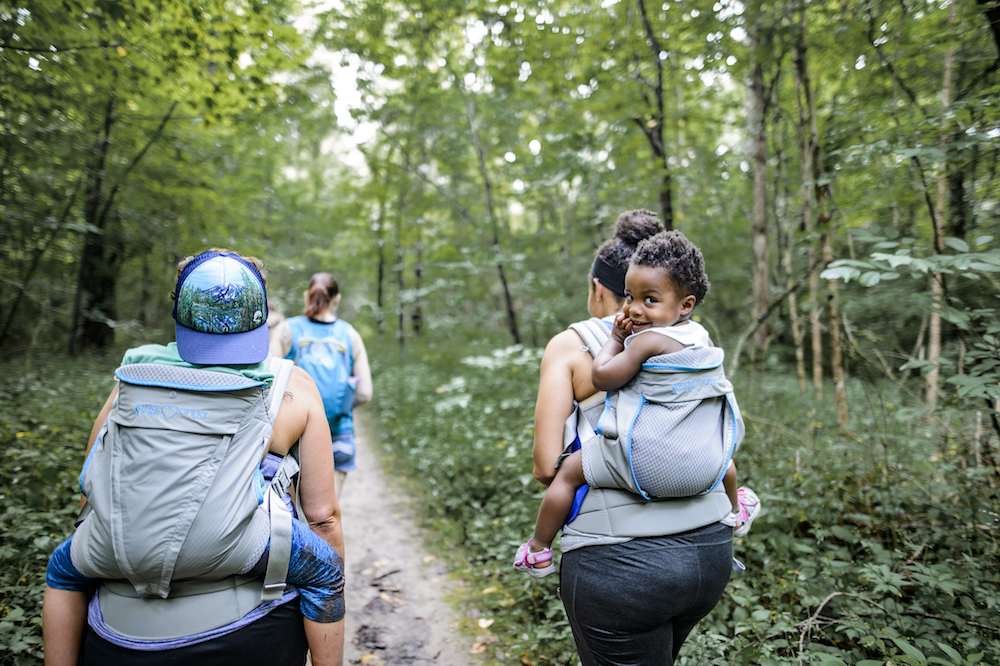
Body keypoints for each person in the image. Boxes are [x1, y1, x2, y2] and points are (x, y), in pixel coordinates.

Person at [42, 249, 345, 666]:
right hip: (241, 553)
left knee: (61, 571)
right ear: (259, 311)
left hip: (120, 570)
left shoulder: (134, 374)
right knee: (326, 572)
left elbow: (91, 489)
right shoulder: (290, 384)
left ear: (179, 309)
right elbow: (324, 517)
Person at [523, 211, 746, 665]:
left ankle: (535, 551)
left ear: (596, 288)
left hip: (622, 568)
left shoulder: (571, 346)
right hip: (710, 556)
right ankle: (743, 506)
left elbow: (548, 468)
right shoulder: (695, 339)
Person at [269, 273, 373, 494]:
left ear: (307, 296)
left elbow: (267, 379)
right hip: (338, 436)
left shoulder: (288, 330)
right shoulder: (350, 335)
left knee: (292, 517)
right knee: (326, 518)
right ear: (337, 300)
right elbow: (364, 393)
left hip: (292, 437)